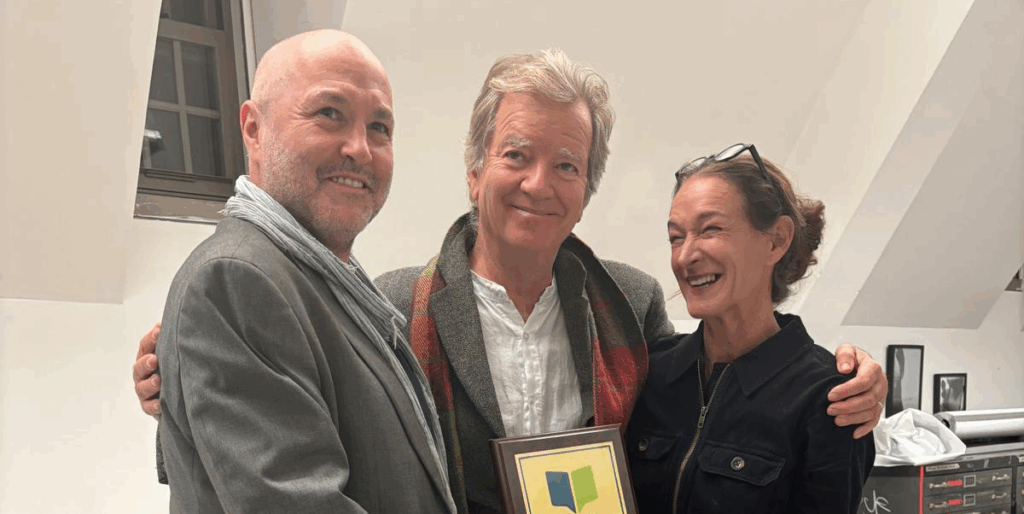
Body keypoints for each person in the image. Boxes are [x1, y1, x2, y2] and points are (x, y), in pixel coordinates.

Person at [133, 50, 888, 513]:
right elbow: (277, 426)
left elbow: (716, 392)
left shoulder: (631, 304)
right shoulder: (390, 304)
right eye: (516, 156)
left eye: (567, 166)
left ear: (586, 192)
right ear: (474, 171)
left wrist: (852, 375)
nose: (538, 184)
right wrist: (174, 375)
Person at [153, 30, 455, 513]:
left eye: (379, 127)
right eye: (329, 113)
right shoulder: (235, 282)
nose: (360, 149)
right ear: (253, 129)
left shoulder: (325, 279)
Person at [627, 144, 874, 513]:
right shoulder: (650, 373)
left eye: (710, 230)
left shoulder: (830, 399)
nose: (685, 256)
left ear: (776, 240)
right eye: (676, 237)